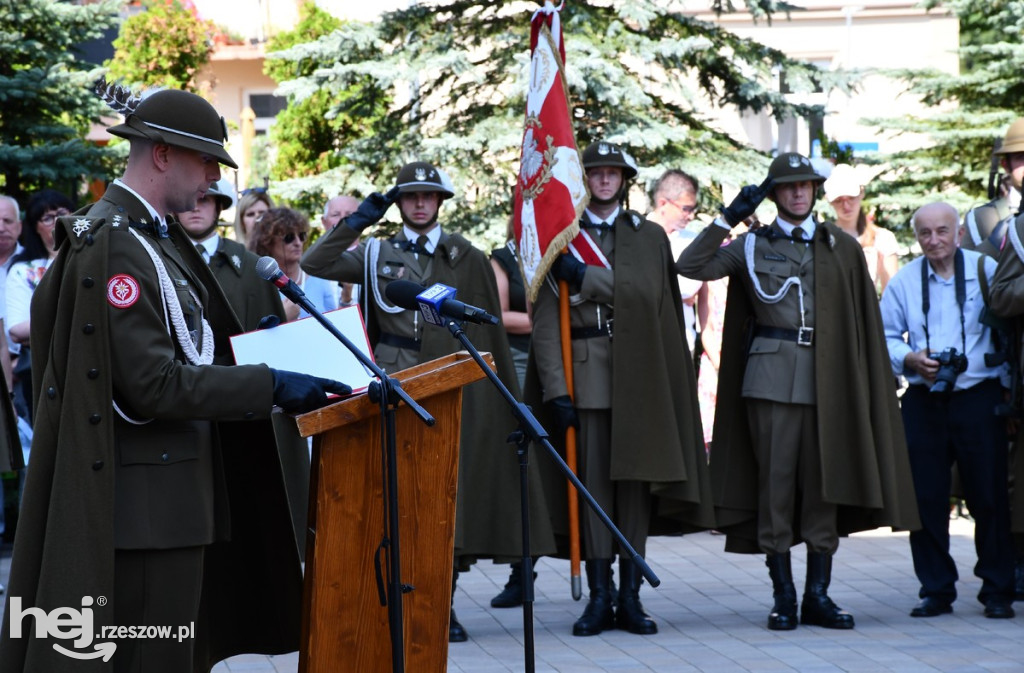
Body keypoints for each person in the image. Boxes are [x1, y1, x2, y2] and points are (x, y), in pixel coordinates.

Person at [0, 84, 351, 673]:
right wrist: (269, 384)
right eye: (205, 159)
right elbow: (152, 386)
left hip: (172, 506)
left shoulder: (150, 238)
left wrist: (254, 346)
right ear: (162, 153)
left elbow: (189, 348)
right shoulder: (118, 244)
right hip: (150, 514)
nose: (213, 176)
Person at [301, 160, 557, 643]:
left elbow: (492, 334)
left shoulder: (468, 255)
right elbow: (316, 264)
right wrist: (356, 223)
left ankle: (446, 601)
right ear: (399, 203)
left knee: (445, 496)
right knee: (402, 495)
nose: (419, 203)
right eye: (410, 195)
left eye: (428, 195)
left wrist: (501, 398)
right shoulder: (378, 251)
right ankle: (405, 597)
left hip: (452, 387)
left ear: (440, 201)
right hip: (398, 387)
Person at [676, 152, 919, 631]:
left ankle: (818, 595)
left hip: (831, 381)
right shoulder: (750, 246)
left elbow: (862, 323)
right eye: (787, 186)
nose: (798, 192)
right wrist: (726, 218)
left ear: (815, 191)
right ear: (774, 193)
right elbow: (691, 265)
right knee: (777, 487)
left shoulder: (840, 247)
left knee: (824, 488)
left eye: (805, 185)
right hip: (770, 381)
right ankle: (783, 595)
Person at [530, 141, 715, 637]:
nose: (604, 180)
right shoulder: (561, 238)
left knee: (634, 490)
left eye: (613, 173)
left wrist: (585, 277)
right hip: (585, 376)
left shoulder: (648, 235)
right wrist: (556, 390)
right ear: (584, 179)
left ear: (625, 180)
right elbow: (547, 323)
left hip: (640, 374)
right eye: (596, 172)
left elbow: (648, 295)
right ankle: (599, 597)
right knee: (593, 492)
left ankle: (631, 597)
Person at [881, 201, 1015, 619]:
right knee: (926, 499)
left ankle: (997, 590)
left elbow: (1011, 330)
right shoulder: (903, 281)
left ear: (958, 233)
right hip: (924, 399)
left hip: (979, 396)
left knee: (989, 496)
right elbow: (883, 335)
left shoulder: (984, 269)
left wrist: (1010, 396)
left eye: (943, 231)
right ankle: (936, 589)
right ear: (916, 237)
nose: (934, 240)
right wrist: (909, 359)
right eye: (925, 233)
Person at [487, 224, 534, 609]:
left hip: (565, 361)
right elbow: (498, 316)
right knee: (525, 467)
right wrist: (551, 320)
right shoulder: (503, 259)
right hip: (520, 363)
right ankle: (523, 571)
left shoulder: (562, 252)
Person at [5, 189, 74, 424]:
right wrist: (72, 322)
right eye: (47, 217)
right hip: (42, 372)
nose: (57, 221)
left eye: (62, 213)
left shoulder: (92, 259)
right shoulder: (24, 270)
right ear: (35, 227)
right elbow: (16, 329)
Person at [647, 170, 707, 359]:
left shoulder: (693, 241)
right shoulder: (636, 234)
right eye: (686, 209)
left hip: (682, 341)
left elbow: (690, 288)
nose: (690, 216)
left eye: (693, 209)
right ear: (663, 203)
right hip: (645, 340)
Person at [248, 207, 337, 321]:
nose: (298, 242)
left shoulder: (319, 278)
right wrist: (283, 318)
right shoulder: (256, 287)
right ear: (267, 241)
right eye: (289, 237)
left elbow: (335, 322)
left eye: (301, 236)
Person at [823, 163, 899, 293]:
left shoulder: (883, 238)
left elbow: (892, 292)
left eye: (851, 198)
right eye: (839, 200)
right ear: (830, 201)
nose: (846, 205)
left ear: (861, 193)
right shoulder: (823, 239)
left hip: (868, 311)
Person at [963, 119, 1024, 258]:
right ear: (1006, 165)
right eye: (1021, 157)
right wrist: (999, 237)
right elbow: (970, 271)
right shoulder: (979, 219)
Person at [320, 194, 361, 307]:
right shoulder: (309, 265)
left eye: (350, 215)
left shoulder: (373, 260)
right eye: (335, 215)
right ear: (324, 222)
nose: (343, 220)